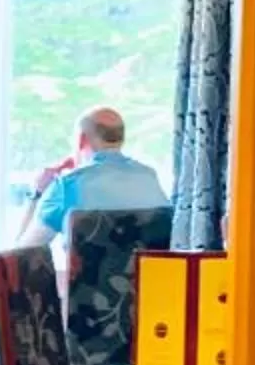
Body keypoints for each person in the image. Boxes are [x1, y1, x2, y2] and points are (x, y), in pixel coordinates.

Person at [14, 105, 169, 254]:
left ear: (81, 139)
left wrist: (37, 195)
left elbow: (23, 254)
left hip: (87, 281)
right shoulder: (150, 178)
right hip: (152, 280)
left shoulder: (67, 185)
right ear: (121, 139)